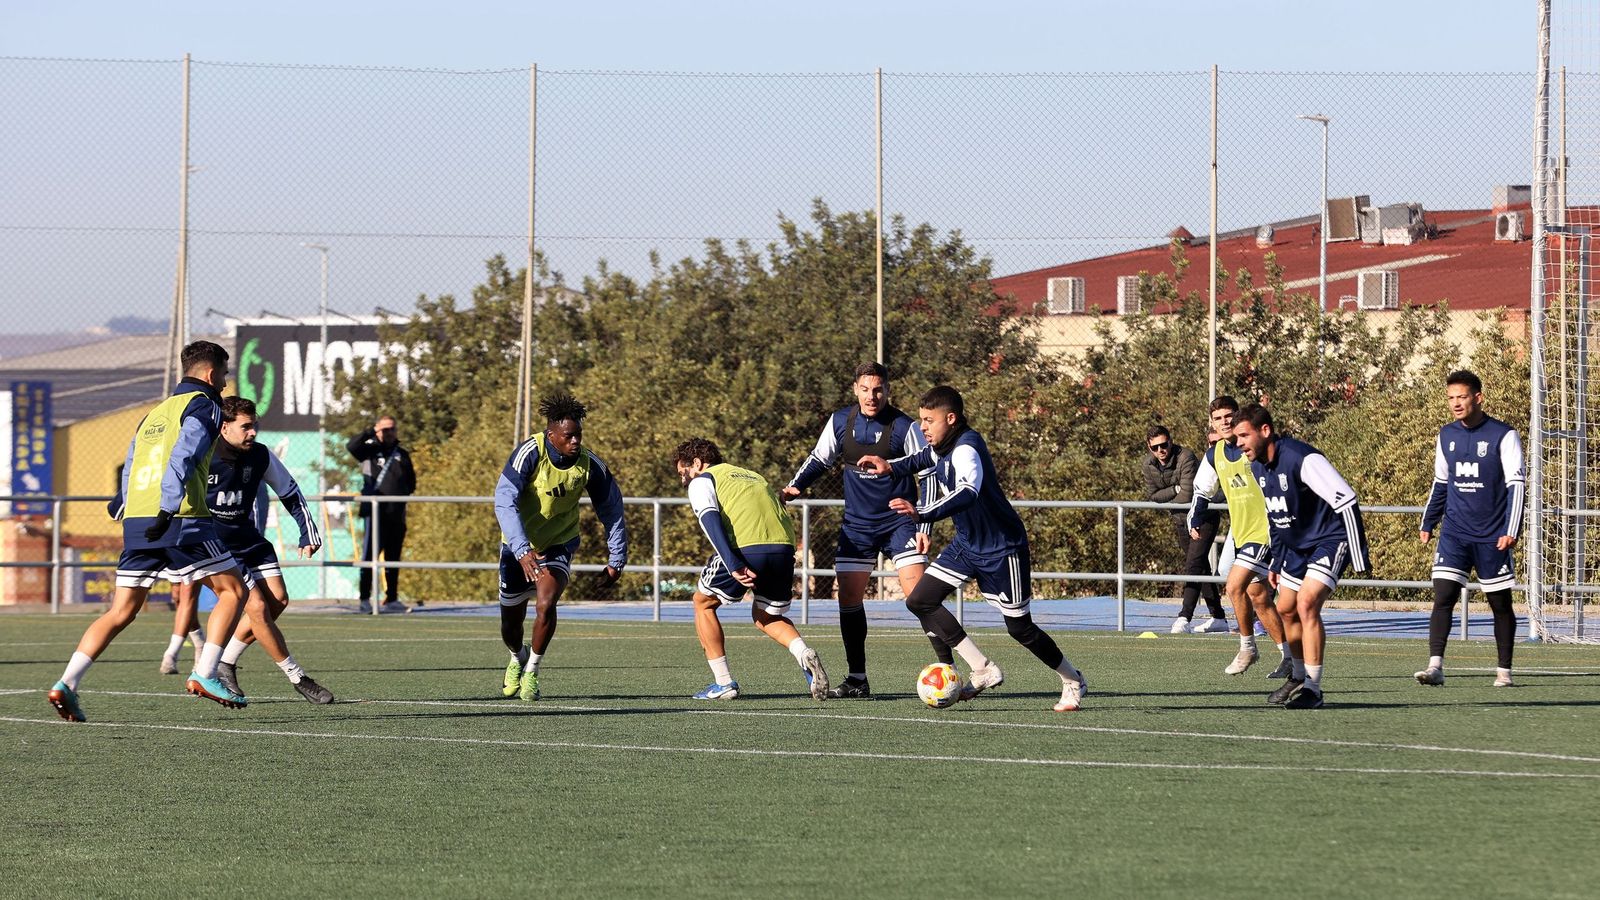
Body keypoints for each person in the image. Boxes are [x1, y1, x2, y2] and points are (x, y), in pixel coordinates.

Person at [46, 340, 251, 721]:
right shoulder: (203, 405)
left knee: (121, 610)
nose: (224, 383)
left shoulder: (155, 413)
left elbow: (133, 458)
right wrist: (169, 505)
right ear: (210, 374)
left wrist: (121, 501)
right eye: (223, 374)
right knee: (234, 590)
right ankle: (205, 674)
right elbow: (184, 455)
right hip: (178, 516)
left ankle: (67, 684)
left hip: (138, 520)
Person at [858, 386, 1088, 712]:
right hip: (966, 545)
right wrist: (890, 466)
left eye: (929, 420)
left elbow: (968, 493)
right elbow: (922, 459)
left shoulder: (967, 449)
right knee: (920, 600)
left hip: (1002, 548)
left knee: (1020, 628)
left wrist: (922, 514)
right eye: (921, 420)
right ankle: (982, 669)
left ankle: (1072, 678)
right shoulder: (941, 446)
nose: (922, 427)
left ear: (950, 419)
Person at [781, 361, 933, 699]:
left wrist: (924, 522)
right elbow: (819, 459)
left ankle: (948, 668)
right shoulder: (840, 422)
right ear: (855, 389)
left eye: (878, 389)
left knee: (922, 597)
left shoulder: (903, 426)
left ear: (887, 391)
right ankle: (857, 680)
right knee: (849, 599)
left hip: (899, 523)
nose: (872, 396)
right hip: (858, 527)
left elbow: (928, 472)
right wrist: (794, 487)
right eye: (865, 389)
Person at [172, 396, 332, 704]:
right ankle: (298, 677)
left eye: (254, 425)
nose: (253, 432)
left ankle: (226, 661)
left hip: (247, 538)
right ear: (224, 427)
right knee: (256, 608)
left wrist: (306, 532)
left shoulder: (259, 455)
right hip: (214, 544)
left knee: (278, 601)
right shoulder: (203, 454)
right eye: (245, 427)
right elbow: (170, 483)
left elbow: (290, 491)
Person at [1232, 403, 1370, 709]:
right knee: (1286, 608)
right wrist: (1277, 561)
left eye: (1243, 435)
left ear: (1265, 431)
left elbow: (1346, 500)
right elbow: (1275, 517)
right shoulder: (1257, 468)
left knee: (1306, 603)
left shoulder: (1301, 458)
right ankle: (1297, 675)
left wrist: (1359, 555)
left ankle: (1313, 689)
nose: (1238, 443)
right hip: (1295, 548)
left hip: (1329, 540)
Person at [673, 437, 830, 701]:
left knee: (703, 603)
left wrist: (733, 563)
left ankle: (723, 684)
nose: (682, 480)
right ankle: (804, 654)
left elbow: (709, 519)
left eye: (683, 472)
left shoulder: (703, 480)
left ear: (697, 463)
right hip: (783, 549)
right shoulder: (754, 476)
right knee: (765, 615)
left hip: (746, 549)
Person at [493, 395, 627, 701]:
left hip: (559, 544)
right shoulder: (530, 452)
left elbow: (612, 510)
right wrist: (522, 549)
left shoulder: (589, 464)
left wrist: (617, 558)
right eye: (569, 436)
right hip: (517, 548)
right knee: (510, 626)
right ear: (551, 435)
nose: (576, 441)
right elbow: (504, 500)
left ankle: (532, 672)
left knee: (545, 603)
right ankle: (518, 657)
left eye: (579, 434)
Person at [1416, 370, 1524, 688]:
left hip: (1493, 536)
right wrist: (1428, 521)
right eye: (1451, 398)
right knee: (1444, 594)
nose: (1456, 403)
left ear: (1478, 397)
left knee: (1500, 603)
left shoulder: (1504, 435)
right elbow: (1441, 483)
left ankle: (1504, 671)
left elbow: (1517, 485)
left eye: (1462, 396)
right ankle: (1435, 666)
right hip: (1455, 534)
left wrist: (1511, 528)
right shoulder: (1446, 435)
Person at [1188, 396, 1295, 678]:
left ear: (1237, 418)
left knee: (1233, 585)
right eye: (1217, 418)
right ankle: (1289, 656)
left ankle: (1248, 647)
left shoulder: (1253, 448)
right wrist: (1195, 516)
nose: (1224, 422)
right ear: (1211, 423)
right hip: (1243, 532)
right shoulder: (1215, 455)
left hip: (1267, 531)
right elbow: (1202, 490)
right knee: (1258, 596)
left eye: (1228, 416)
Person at [1143, 425, 1228, 634]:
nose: (1161, 450)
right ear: (1149, 447)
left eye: (1164, 444)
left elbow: (1188, 497)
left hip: (1202, 518)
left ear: (1171, 441)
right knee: (1200, 567)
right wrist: (1174, 489)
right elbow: (1152, 495)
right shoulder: (1148, 464)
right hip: (1180, 520)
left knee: (1193, 565)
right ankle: (1218, 617)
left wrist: (1173, 496)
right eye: (1156, 447)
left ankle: (1184, 617)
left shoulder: (1186, 457)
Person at [348, 414, 416, 613]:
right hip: (375, 513)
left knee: (393, 557)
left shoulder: (402, 454)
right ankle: (364, 599)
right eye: (385, 429)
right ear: (378, 430)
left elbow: (412, 481)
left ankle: (392, 599)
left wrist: (402, 494)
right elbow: (352, 446)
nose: (389, 433)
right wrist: (371, 432)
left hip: (396, 513)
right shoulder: (369, 451)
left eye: (392, 429)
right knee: (369, 556)